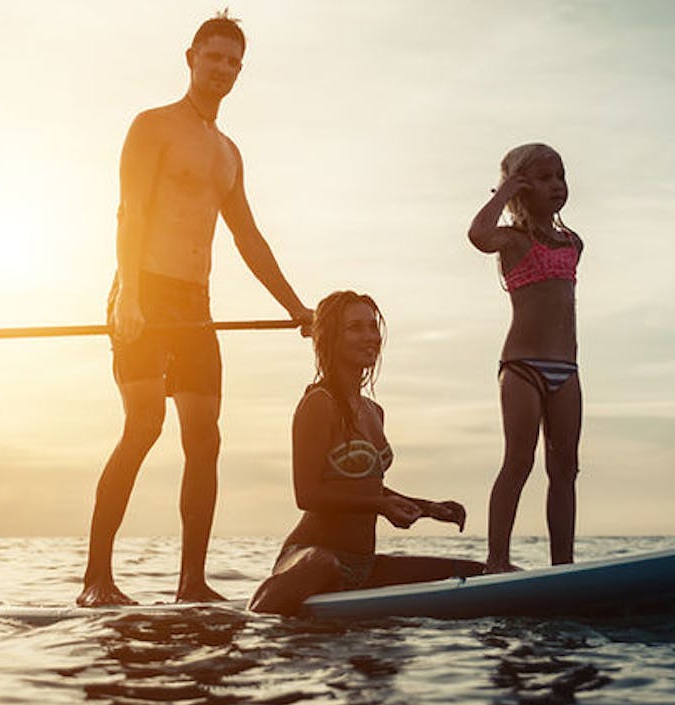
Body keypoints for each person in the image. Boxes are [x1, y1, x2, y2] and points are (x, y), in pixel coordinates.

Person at [79, 13, 314, 607]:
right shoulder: (152, 126)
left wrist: (296, 307)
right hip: (142, 292)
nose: (223, 70)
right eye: (213, 58)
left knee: (204, 440)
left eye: (233, 62)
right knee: (143, 426)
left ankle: (192, 583)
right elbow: (129, 213)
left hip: (194, 304)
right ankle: (96, 580)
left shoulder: (229, 153)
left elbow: (249, 240)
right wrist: (128, 296)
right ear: (191, 58)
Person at [249, 291, 482, 616]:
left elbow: (367, 489)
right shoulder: (319, 404)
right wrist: (381, 506)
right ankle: (251, 620)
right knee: (322, 563)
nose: (370, 337)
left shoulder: (375, 411)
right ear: (330, 338)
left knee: (474, 572)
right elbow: (308, 494)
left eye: (373, 327)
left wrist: (428, 508)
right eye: (355, 328)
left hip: (363, 566)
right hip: (308, 558)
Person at [467, 143, 583, 572]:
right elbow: (478, 234)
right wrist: (503, 191)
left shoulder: (573, 242)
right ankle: (496, 561)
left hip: (565, 371)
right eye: (544, 178)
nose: (556, 185)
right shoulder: (512, 240)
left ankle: (563, 565)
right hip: (522, 368)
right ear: (520, 186)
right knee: (519, 460)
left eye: (560, 176)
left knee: (565, 468)